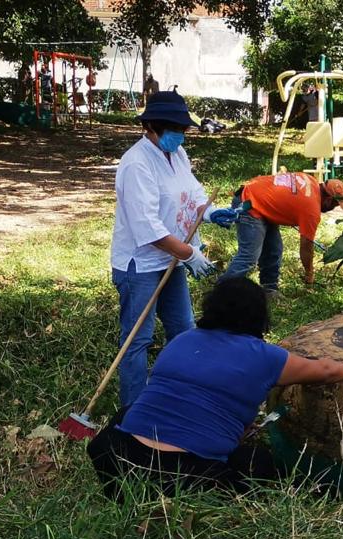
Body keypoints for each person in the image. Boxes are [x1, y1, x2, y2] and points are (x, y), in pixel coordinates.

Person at [87, 277, 343, 500]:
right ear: (258, 316)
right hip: (189, 473)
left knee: (127, 413)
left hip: (119, 458)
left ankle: (131, 490)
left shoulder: (183, 340)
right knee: (260, 463)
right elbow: (325, 371)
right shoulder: (266, 357)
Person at [110, 89, 239, 407]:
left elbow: (192, 192)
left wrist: (210, 212)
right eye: (173, 129)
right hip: (140, 264)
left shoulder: (177, 155)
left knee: (183, 331)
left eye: (182, 130)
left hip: (172, 259)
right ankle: (133, 412)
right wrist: (190, 254)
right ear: (150, 127)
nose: (179, 136)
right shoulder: (136, 165)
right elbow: (147, 228)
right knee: (137, 340)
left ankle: (179, 397)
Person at [220, 172, 343, 297]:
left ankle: (269, 289)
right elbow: (306, 246)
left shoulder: (310, 179)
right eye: (335, 205)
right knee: (249, 256)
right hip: (249, 203)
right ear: (329, 199)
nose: (333, 208)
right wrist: (309, 272)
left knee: (274, 250)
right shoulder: (311, 210)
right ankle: (220, 292)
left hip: (260, 200)